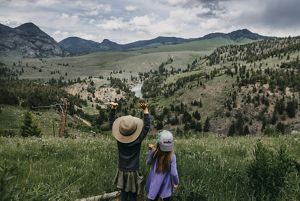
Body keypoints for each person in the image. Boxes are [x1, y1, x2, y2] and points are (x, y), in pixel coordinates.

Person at [109, 101, 150, 201]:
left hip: (122, 170)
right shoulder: (138, 139)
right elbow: (146, 127)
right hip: (133, 170)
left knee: (123, 192)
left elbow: (111, 123)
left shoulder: (119, 140)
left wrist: (113, 109)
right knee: (133, 193)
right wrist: (145, 110)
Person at [146, 130, 179, 201]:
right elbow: (174, 173)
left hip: (154, 185)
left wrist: (150, 152)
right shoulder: (172, 156)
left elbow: (148, 162)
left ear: (159, 143)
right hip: (166, 187)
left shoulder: (154, 153)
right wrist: (176, 182)